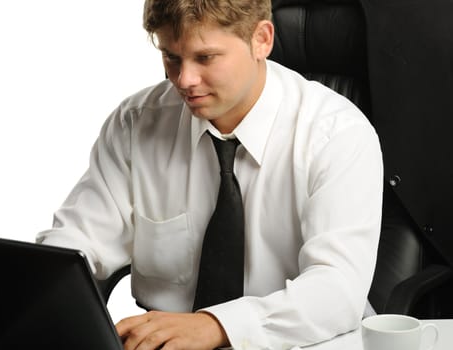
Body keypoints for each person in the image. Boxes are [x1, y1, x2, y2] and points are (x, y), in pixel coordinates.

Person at [37, 0, 383, 349]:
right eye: (171, 57)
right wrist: (30, 290)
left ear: (261, 40)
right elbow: (76, 242)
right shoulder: (137, 122)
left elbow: (337, 292)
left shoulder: (337, 135)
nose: (184, 80)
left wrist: (216, 326)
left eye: (205, 58)